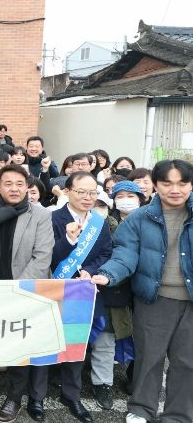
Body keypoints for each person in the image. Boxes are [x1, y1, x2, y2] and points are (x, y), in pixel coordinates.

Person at [92, 159, 193, 423]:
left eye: (182, 183)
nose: (175, 189)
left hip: (190, 302)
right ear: (155, 186)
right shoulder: (139, 218)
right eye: (167, 183)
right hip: (154, 299)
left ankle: (179, 415)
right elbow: (125, 253)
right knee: (149, 357)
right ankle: (140, 409)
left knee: (187, 362)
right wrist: (108, 274)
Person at [0, 164, 54, 423]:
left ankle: (15, 396)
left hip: (25, 290)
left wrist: (18, 289)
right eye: (8, 184)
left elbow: (42, 257)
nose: (14, 189)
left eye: (19, 184)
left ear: (27, 187)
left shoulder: (40, 214)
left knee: (21, 343)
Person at [49, 172, 112, 423]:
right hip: (54, 289)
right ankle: (37, 394)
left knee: (77, 343)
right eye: (82, 192)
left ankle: (71, 394)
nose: (88, 197)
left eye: (93, 193)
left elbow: (106, 252)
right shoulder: (52, 218)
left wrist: (90, 270)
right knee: (48, 340)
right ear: (67, 191)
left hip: (84, 291)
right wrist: (69, 240)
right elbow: (48, 256)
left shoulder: (99, 222)